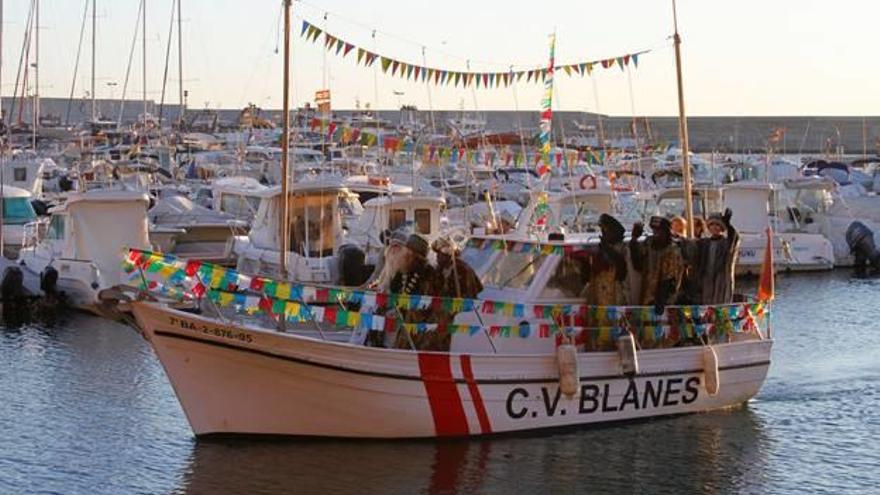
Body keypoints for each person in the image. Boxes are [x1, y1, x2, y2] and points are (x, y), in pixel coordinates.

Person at [428, 238, 484, 351]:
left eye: (440, 255)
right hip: (439, 315)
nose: (437, 257)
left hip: (459, 316)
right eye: (437, 254)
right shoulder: (438, 271)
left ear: (448, 256)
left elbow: (472, 294)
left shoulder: (463, 270)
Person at [385, 233, 437, 349]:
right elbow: (394, 288)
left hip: (419, 323)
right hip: (400, 316)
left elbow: (428, 300)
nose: (403, 255)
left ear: (413, 255)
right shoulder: (404, 269)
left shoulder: (428, 273)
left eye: (406, 252)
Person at [630, 216, 684, 314]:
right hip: (647, 296)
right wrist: (634, 239)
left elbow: (669, 278)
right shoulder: (649, 243)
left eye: (659, 231)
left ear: (667, 232)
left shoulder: (672, 250)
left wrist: (660, 300)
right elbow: (637, 264)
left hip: (665, 300)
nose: (656, 234)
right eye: (654, 231)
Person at [584, 214, 629, 306]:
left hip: (614, 294)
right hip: (599, 294)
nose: (603, 233)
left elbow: (620, 267)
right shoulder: (603, 248)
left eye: (605, 230)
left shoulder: (622, 248)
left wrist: (607, 248)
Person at [698, 208, 740, 304]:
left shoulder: (726, 243)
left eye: (718, 225)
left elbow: (735, 238)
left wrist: (729, 225)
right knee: (706, 303)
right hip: (706, 278)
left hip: (721, 278)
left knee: (720, 302)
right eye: (712, 224)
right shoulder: (704, 243)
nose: (715, 227)